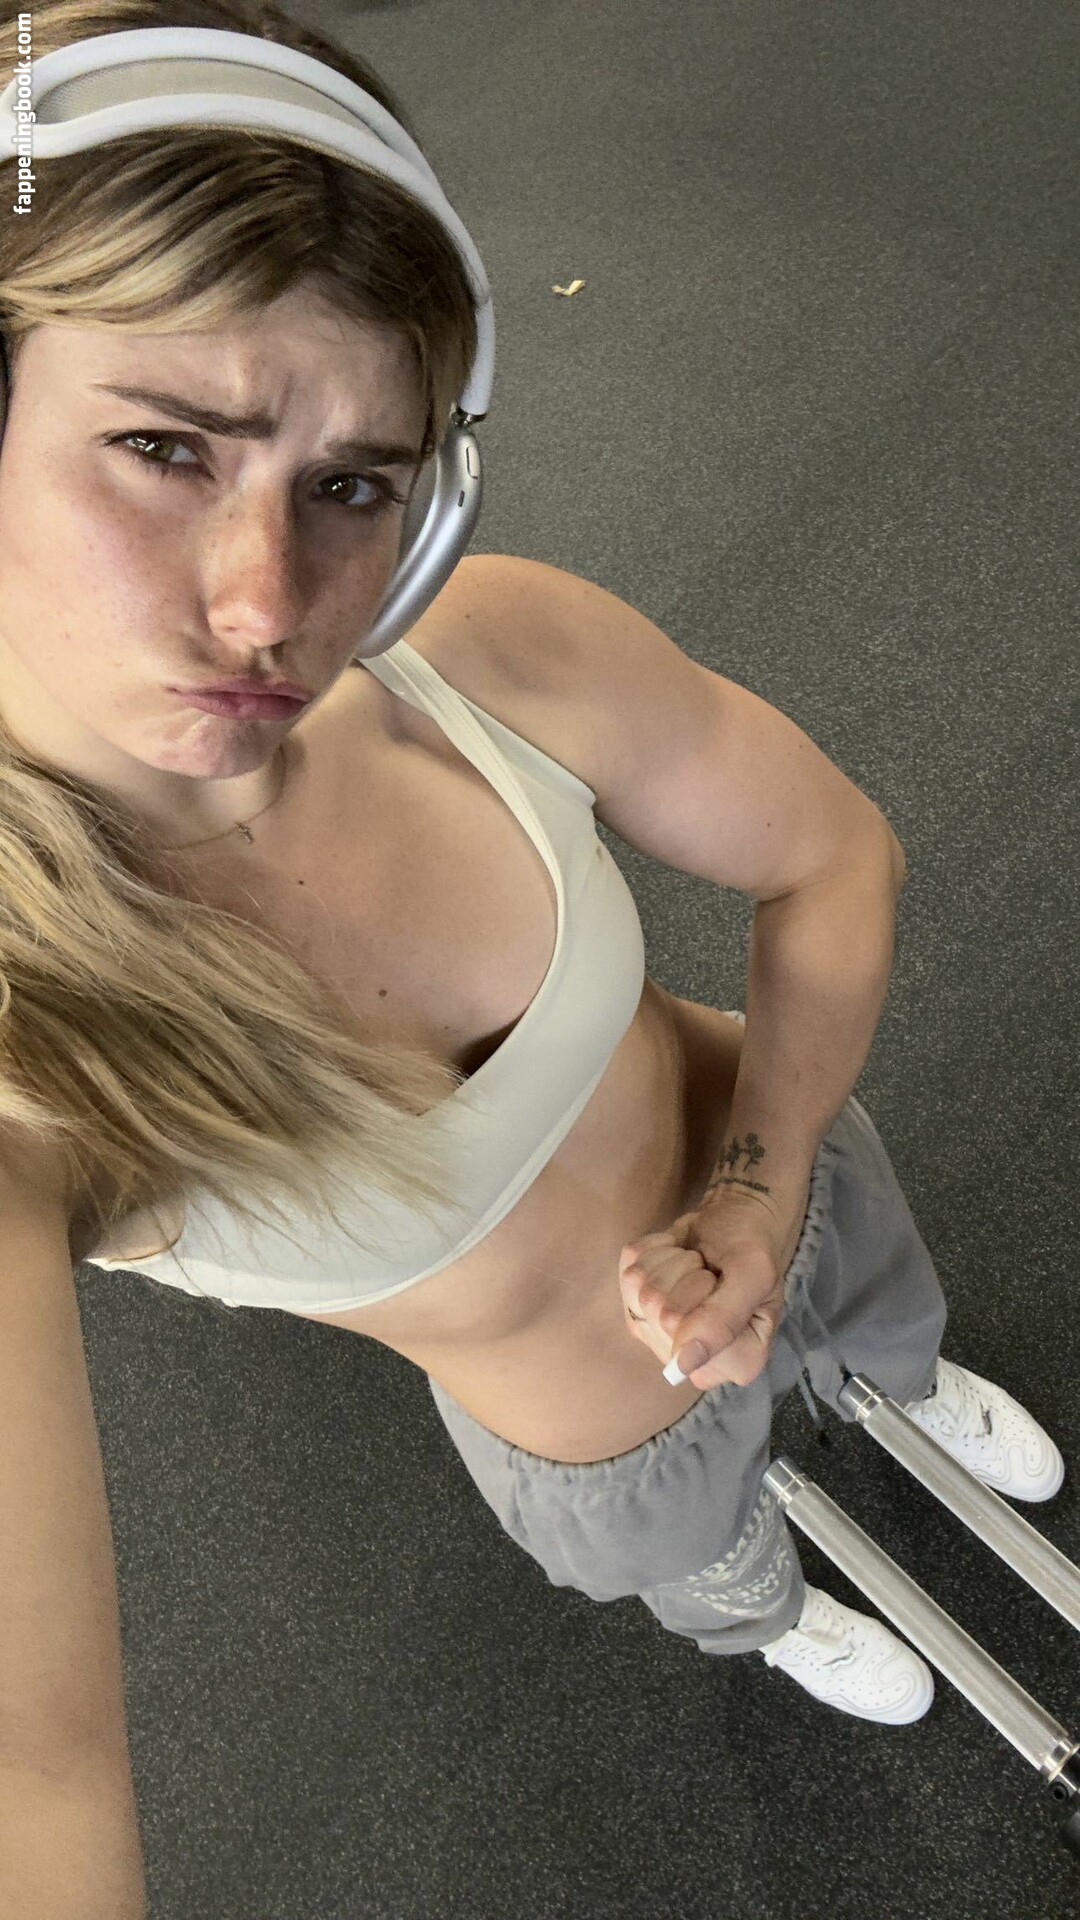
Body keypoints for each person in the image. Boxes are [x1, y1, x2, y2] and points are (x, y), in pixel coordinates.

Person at [0, 0, 1065, 1812]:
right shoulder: (33, 1045)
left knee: (896, 1330)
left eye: (351, 487)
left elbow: (833, 857)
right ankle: (770, 1613)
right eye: (166, 448)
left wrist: (764, 1184)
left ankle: (899, 1379)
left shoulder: (490, 657)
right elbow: (38, 1764)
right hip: (601, 1444)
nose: (266, 605)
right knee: (713, 1572)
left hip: (804, 1182)